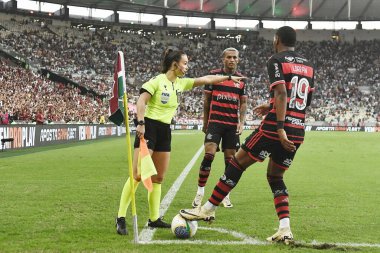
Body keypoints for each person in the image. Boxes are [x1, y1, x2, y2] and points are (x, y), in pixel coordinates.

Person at [180, 26, 315, 245]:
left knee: (237, 163)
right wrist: (271, 105)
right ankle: (285, 229)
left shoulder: (276, 60)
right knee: (275, 177)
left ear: (277, 39)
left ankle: (207, 209)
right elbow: (304, 101)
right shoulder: (308, 66)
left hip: (275, 128)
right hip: (298, 130)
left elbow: (281, 92)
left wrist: (279, 127)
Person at [115, 49, 245, 235]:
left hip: (165, 131)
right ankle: (120, 217)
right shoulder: (157, 81)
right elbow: (141, 101)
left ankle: (153, 219)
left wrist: (227, 78)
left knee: (158, 177)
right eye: (184, 63)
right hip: (149, 127)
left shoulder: (180, 83)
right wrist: (141, 123)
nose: (187, 67)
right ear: (175, 65)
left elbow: (206, 79)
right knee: (137, 174)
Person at [192, 47, 247, 209]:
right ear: (223, 59)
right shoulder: (214, 76)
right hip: (215, 123)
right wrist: (205, 122)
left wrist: (242, 122)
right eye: (228, 57)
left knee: (230, 162)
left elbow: (243, 103)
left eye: (234, 57)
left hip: (231, 126)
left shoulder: (242, 80)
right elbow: (207, 101)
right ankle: (200, 191)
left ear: (238, 60)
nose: (231, 60)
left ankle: (225, 195)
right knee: (209, 155)